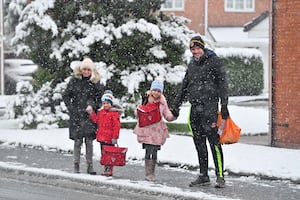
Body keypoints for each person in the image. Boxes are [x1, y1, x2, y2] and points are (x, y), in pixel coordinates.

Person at [170, 35, 230, 188]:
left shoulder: (214, 62)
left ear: (203, 48)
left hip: (209, 108)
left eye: (197, 48)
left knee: (214, 142)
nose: (195, 51)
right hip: (194, 108)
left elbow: (223, 85)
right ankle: (204, 175)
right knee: (199, 142)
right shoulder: (191, 65)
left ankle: (220, 176)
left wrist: (224, 106)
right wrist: (175, 106)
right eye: (193, 49)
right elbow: (184, 87)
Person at [63, 58, 102, 175]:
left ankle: (90, 166)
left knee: (89, 142)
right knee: (77, 141)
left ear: (91, 71)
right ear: (80, 69)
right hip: (77, 116)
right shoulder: (74, 82)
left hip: (89, 116)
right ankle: (76, 165)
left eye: (88, 70)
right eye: (84, 69)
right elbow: (66, 95)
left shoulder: (94, 83)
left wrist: (93, 106)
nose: (86, 72)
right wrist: (71, 108)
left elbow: (99, 98)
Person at [133, 80, 176, 181]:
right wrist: (142, 105)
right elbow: (138, 113)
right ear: (151, 90)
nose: (156, 93)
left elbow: (167, 116)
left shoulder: (162, 103)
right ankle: (147, 173)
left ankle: (152, 172)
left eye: (158, 91)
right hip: (146, 130)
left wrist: (175, 115)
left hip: (157, 131)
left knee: (155, 151)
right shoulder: (145, 99)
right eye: (154, 90)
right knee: (148, 150)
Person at [86, 90, 122, 176]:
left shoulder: (114, 113)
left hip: (110, 138)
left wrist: (115, 137)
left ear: (111, 104)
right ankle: (106, 168)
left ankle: (109, 169)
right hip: (102, 137)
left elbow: (116, 126)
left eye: (108, 103)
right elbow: (96, 120)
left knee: (110, 154)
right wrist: (91, 113)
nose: (106, 105)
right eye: (104, 103)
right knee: (104, 154)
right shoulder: (101, 112)